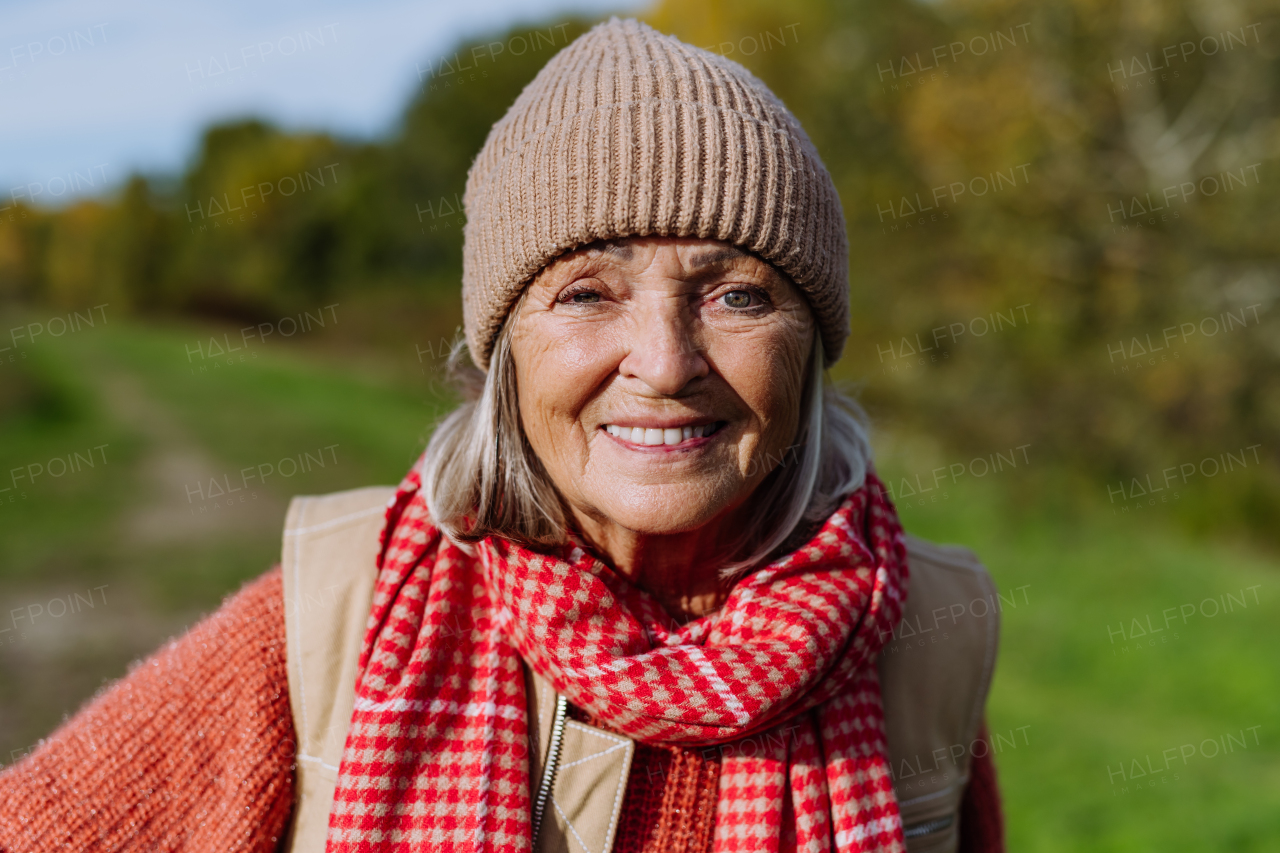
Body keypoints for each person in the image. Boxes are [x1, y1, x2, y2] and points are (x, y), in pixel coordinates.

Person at [0, 18, 1004, 853]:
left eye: (737, 294)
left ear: (809, 349)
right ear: (504, 353)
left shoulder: (924, 636)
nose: (661, 362)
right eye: (585, 293)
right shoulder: (331, 620)